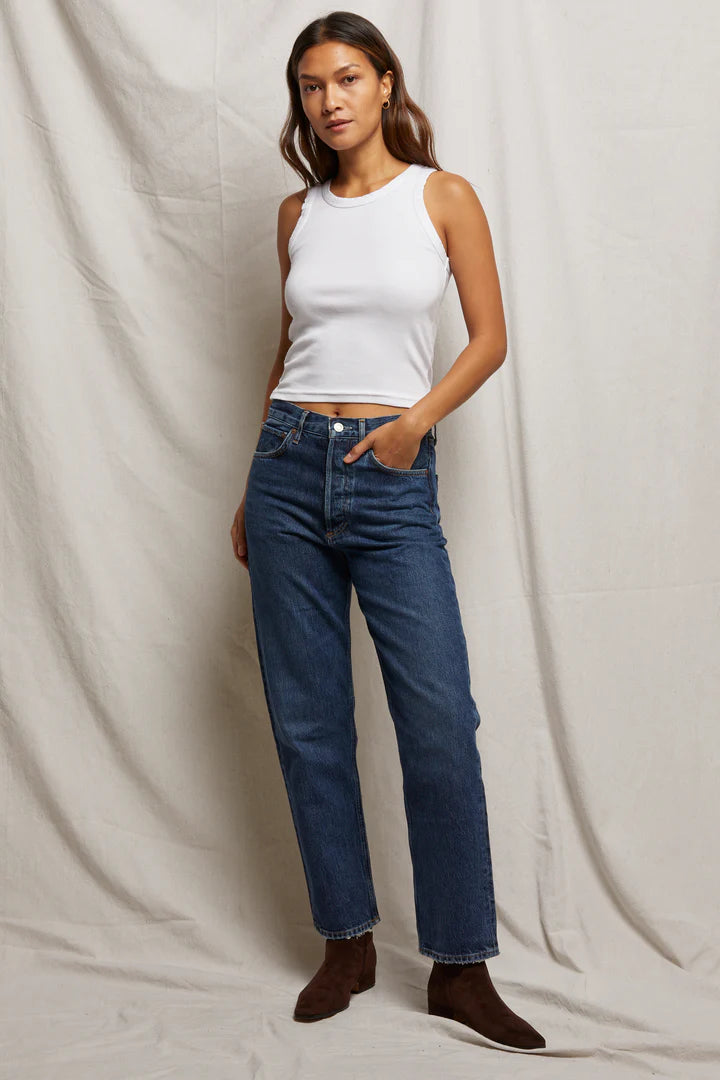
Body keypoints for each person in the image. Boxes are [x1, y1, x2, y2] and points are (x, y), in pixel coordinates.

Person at [231, 11, 545, 1052]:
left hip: (390, 474)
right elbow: (292, 344)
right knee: (309, 722)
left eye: (348, 78)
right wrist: (250, 485)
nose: (330, 100)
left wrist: (413, 424)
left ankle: (460, 963)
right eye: (313, 84)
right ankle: (348, 941)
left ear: (385, 83)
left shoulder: (441, 195)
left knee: (439, 722)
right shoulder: (297, 214)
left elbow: (490, 337)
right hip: (284, 473)